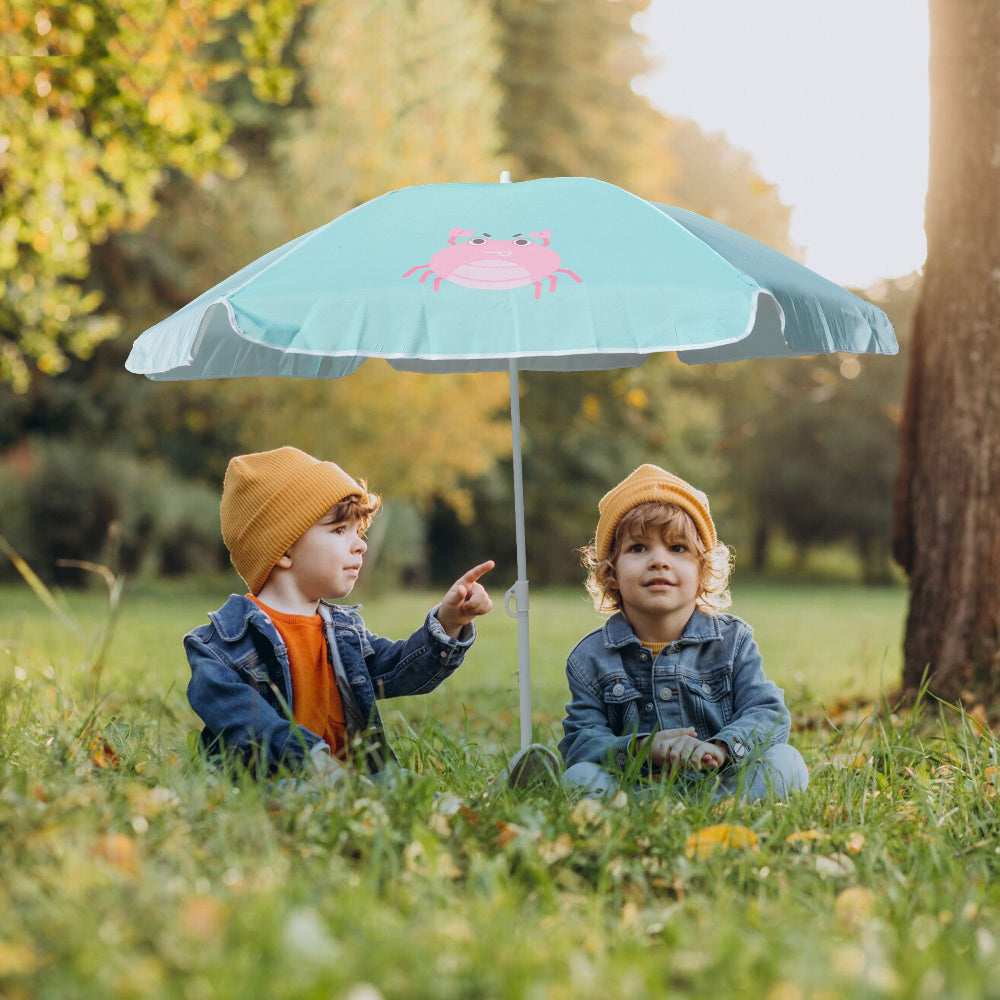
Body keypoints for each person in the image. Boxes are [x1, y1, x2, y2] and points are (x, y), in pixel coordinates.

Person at [184, 446, 494, 782]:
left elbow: (402, 671)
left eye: (357, 532)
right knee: (295, 793)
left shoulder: (344, 632)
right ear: (284, 549)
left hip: (355, 779)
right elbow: (242, 720)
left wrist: (449, 623)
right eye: (339, 530)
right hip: (276, 781)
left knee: (410, 787)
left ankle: (489, 797)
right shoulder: (222, 644)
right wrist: (312, 760)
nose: (360, 545)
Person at [559, 464, 808, 800]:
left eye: (677, 549)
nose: (659, 561)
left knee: (787, 763)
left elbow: (767, 711)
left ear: (703, 570)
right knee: (579, 776)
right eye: (638, 548)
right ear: (611, 573)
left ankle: (715, 807)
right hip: (636, 787)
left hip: (720, 782)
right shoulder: (590, 658)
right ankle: (638, 810)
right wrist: (643, 749)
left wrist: (722, 748)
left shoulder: (733, 643)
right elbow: (581, 739)